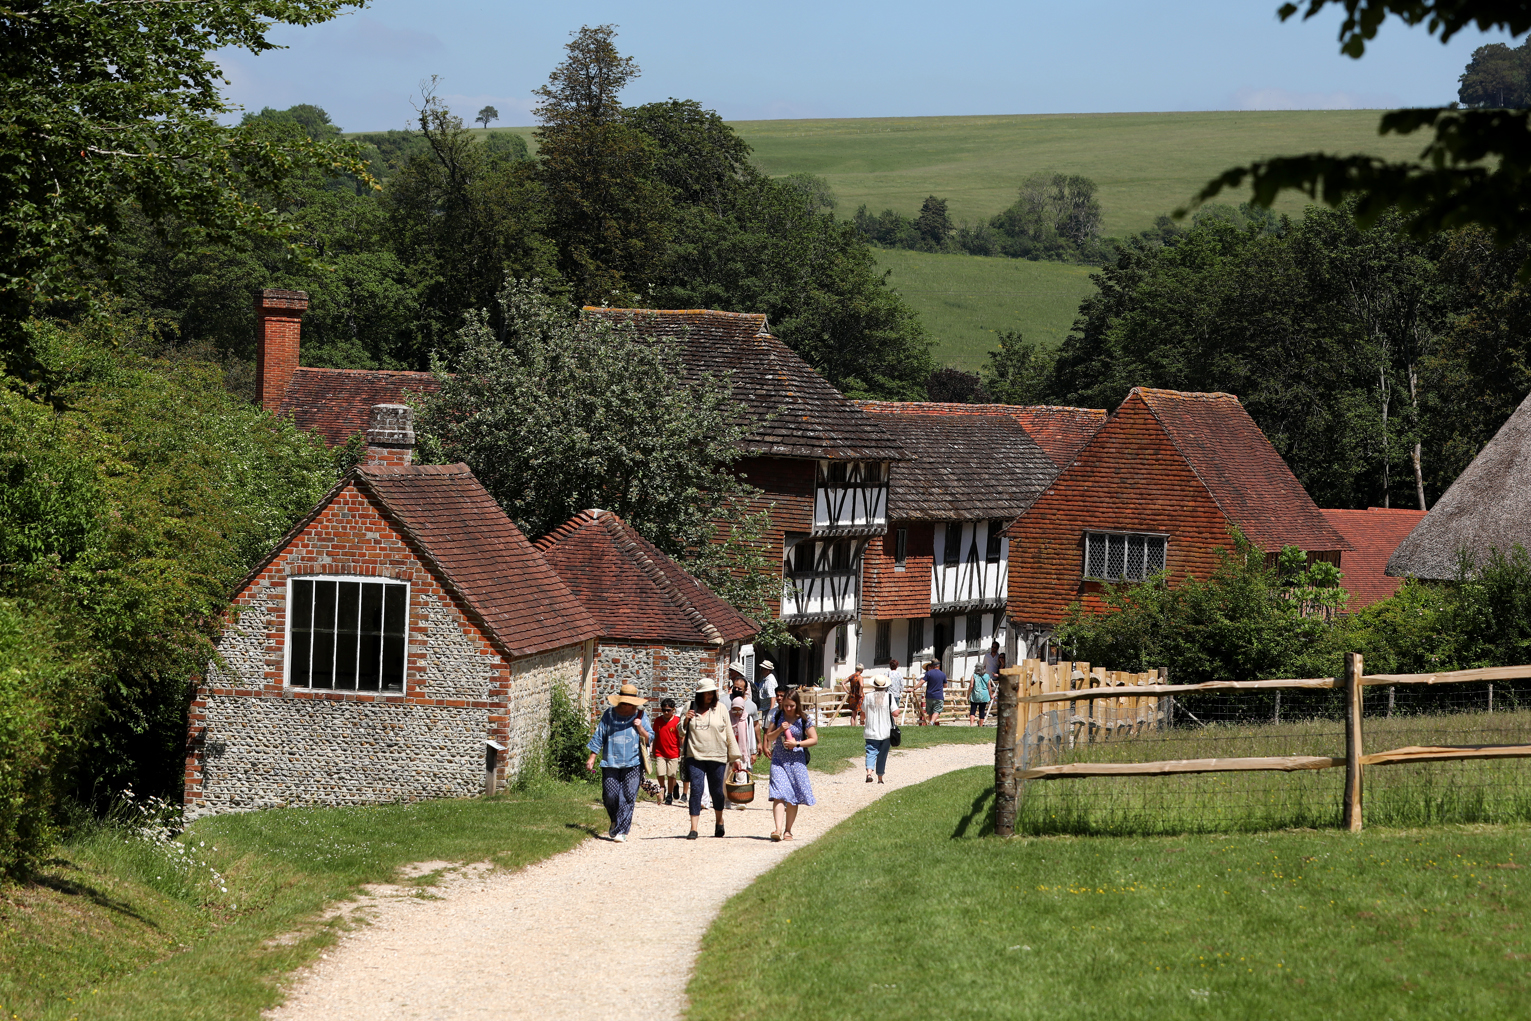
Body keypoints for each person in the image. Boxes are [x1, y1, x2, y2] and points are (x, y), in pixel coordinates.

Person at [584, 683, 654, 842]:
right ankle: (615, 819)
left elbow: (650, 737)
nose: (627, 705)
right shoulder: (609, 714)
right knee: (610, 795)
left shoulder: (641, 716)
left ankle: (622, 831)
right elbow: (599, 735)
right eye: (624, 701)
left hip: (633, 763)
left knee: (627, 796)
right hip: (610, 762)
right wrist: (592, 757)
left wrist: (640, 728)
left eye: (630, 702)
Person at [681, 679, 744, 839]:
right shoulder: (689, 707)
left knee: (717, 791)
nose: (709, 695)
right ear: (699, 694)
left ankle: (719, 821)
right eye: (706, 693)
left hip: (717, 756)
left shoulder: (721, 708)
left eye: (711, 693)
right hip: (694, 755)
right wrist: (686, 720)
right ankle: (693, 828)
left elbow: (729, 733)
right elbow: (680, 732)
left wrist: (736, 758)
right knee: (696, 789)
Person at [764, 688, 818, 841]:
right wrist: (780, 729)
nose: (788, 709)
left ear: (797, 704)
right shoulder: (778, 715)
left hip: (796, 762)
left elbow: (814, 739)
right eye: (786, 705)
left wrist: (797, 743)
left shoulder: (804, 719)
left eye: (791, 706)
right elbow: (769, 736)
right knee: (779, 793)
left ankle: (788, 830)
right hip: (779, 760)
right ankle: (777, 829)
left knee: (793, 796)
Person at [863, 675, 901, 783]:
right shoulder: (889, 696)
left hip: (871, 730)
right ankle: (880, 777)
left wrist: (862, 720)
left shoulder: (868, 696)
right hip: (886, 731)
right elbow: (895, 712)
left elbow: (863, 711)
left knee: (871, 751)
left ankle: (869, 773)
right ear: (885, 686)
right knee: (882, 754)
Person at [652, 697, 682, 804]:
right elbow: (655, 735)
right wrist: (653, 749)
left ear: (673, 710)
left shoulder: (677, 722)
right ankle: (662, 788)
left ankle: (670, 793)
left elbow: (681, 737)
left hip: (673, 752)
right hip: (660, 751)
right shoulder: (658, 721)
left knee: (671, 775)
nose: (665, 712)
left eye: (668, 710)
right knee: (660, 772)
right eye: (663, 710)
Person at [922, 660, 948, 726]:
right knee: (937, 711)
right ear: (939, 665)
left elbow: (922, 682)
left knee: (930, 711)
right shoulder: (942, 674)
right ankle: (932, 722)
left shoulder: (928, 673)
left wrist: (914, 688)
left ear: (932, 665)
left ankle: (931, 724)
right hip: (938, 695)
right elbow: (945, 686)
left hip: (929, 695)